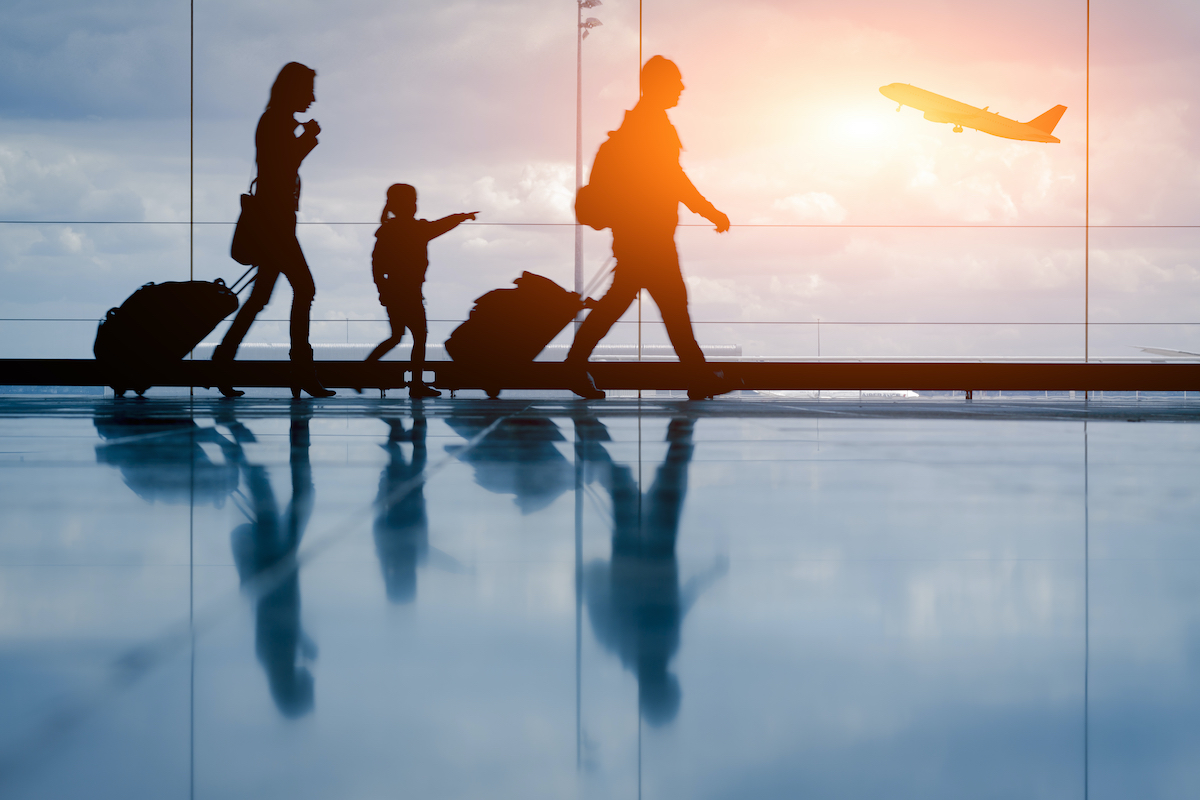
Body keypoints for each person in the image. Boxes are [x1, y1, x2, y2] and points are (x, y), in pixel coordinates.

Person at [567, 56, 733, 401]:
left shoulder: (641, 124)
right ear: (658, 85)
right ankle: (698, 377)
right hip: (649, 237)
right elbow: (674, 180)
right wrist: (709, 210)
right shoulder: (653, 126)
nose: (682, 88)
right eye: (676, 82)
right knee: (670, 304)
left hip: (637, 234)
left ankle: (574, 365)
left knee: (633, 303)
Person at [213, 62, 334, 399]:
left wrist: (304, 137)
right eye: (308, 90)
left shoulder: (275, 120)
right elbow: (282, 167)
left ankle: (222, 362)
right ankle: (301, 372)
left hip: (274, 223)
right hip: (276, 225)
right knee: (304, 289)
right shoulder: (278, 122)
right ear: (293, 90)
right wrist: (309, 138)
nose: (312, 98)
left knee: (259, 299)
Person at [363, 183, 477, 398]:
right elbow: (442, 225)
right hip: (409, 293)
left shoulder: (388, 230)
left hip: (394, 291)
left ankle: (365, 370)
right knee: (419, 336)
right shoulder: (416, 229)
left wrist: (382, 291)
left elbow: (376, 265)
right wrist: (462, 216)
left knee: (397, 336)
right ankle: (415, 384)